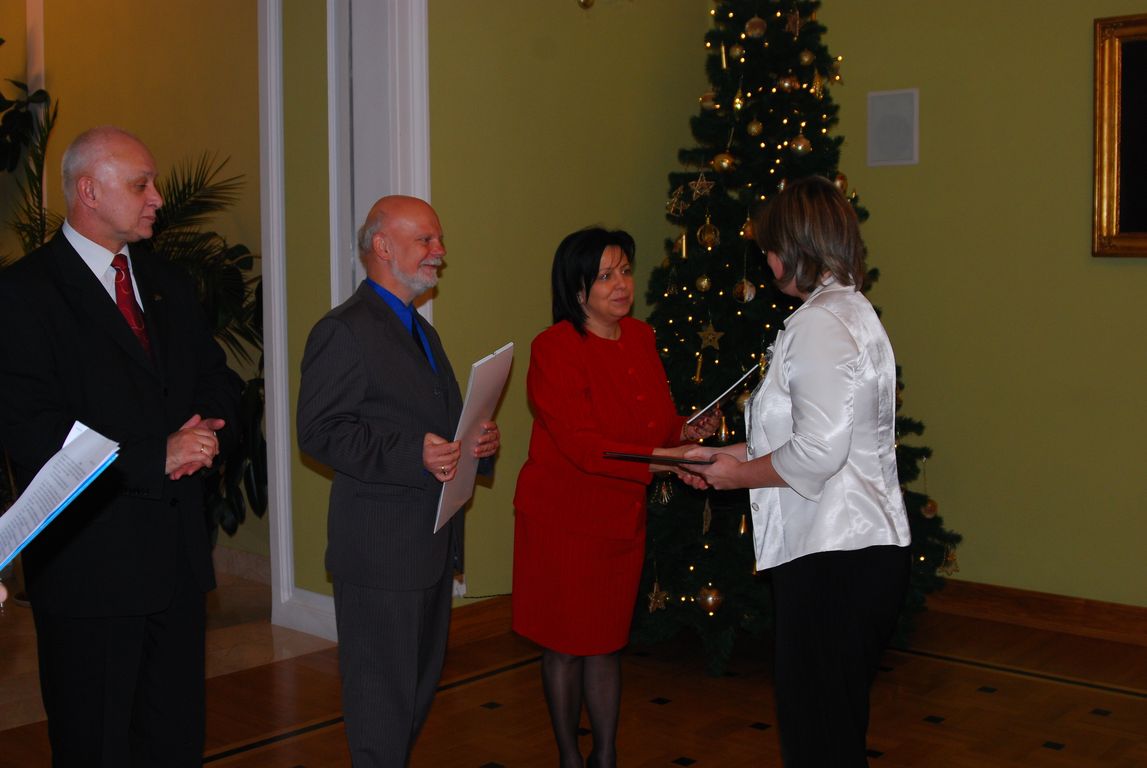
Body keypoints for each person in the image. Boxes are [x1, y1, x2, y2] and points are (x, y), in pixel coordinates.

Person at [0, 126, 242, 766]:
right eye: (141, 185)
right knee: (95, 745)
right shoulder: (23, 294)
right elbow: (31, 429)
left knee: (174, 742)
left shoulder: (167, 281)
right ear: (88, 192)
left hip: (176, 564)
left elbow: (216, 379)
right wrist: (156, 455)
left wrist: (207, 436)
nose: (157, 197)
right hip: (90, 570)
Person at [674, 175, 911, 766]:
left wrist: (734, 476)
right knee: (832, 733)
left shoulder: (819, 324)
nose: (766, 258)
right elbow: (823, 437)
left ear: (795, 247)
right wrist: (725, 457)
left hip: (835, 557)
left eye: (770, 246)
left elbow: (818, 452)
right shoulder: (848, 311)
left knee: (818, 739)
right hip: (860, 551)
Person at [297, 195, 501, 767]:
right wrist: (415, 455)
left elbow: (441, 424)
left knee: (409, 701)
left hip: (428, 547)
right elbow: (320, 432)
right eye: (426, 240)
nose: (440, 251)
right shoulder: (343, 330)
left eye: (439, 240)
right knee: (380, 711)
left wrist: (477, 444)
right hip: (380, 554)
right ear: (383, 247)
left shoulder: (420, 332)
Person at [512, 227, 718, 768]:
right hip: (564, 521)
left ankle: (605, 756)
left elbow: (653, 425)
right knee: (565, 645)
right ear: (577, 288)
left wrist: (686, 431)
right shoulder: (554, 349)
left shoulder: (641, 337)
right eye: (605, 276)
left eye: (624, 270)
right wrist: (671, 459)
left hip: (620, 518)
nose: (621, 284)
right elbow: (585, 447)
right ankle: (569, 757)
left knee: (605, 643)